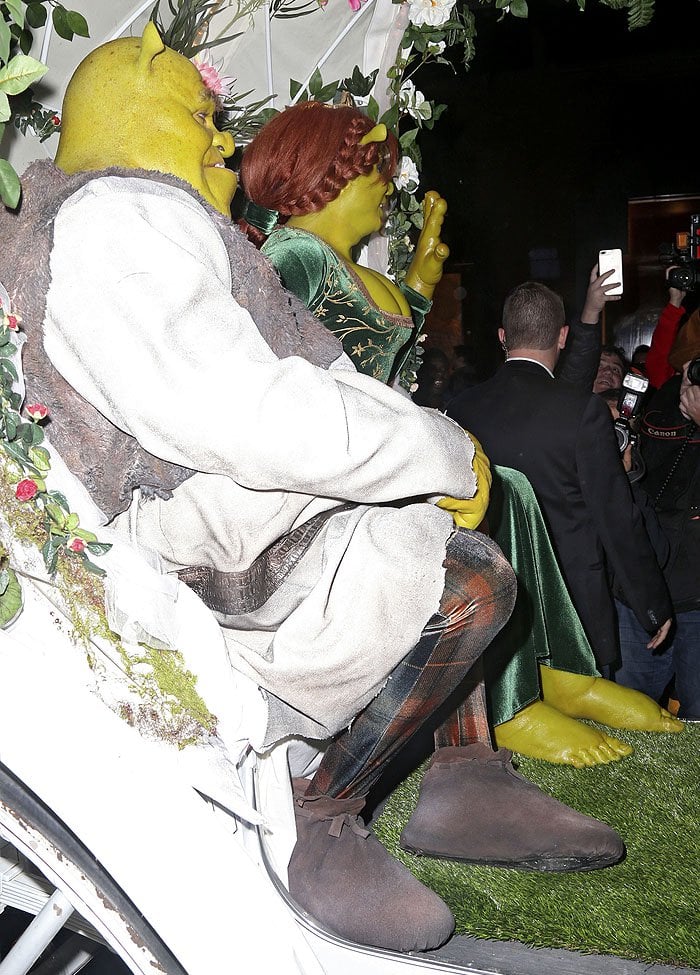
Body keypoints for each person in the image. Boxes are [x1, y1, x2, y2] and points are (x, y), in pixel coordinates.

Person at [0, 26, 626, 956]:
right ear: (133, 115)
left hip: (239, 490)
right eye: (201, 117)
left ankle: (462, 770)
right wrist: (436, 450)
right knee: (467, 574)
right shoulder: (115, 217)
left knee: (463, 511)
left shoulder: (162, 221)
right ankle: (323, 808)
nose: (225, 144)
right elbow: (237, 409)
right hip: (204, 523)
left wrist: (431, 447)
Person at [240, 105, 678, 766]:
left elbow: (380, 345)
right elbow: (291, 375)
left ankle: (545, 668)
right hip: (333, 473)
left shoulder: (337, 262)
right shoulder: (293, 254)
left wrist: (418, 279)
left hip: (372, 455)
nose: (388, 191)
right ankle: (509, 700)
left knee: (515, 495)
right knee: (471, 515)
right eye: (375, 174)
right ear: (330, 176)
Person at [447, 281, 682, 755]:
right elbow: (618, 518)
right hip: (572, 614)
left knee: (508, 733)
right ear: (560, 337)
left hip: (489, 604)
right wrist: (651, 604)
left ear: (501, 337)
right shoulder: (581, 412)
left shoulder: (460, 409)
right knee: (594, 748)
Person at [615, 311, 700, 720]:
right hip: (643, 591)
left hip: (697, 599)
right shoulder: (655, 405)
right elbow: (636, 491)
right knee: (635, 716)